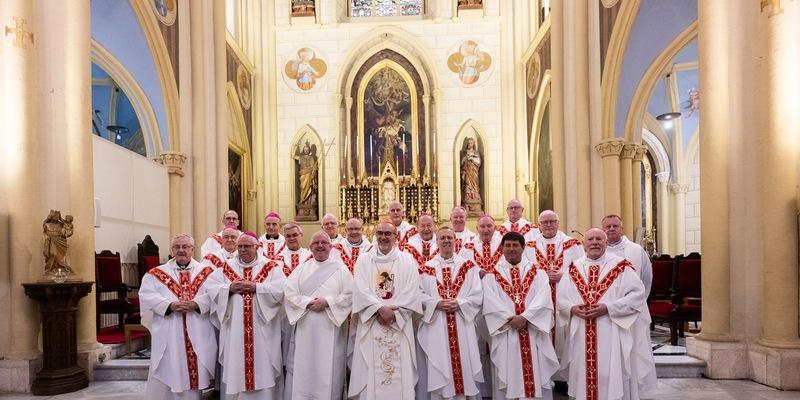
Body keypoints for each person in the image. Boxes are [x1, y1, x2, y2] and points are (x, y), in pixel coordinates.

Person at [556, 228, 657, 400]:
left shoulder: (621, 266)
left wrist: (609, 308)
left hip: (611, 329)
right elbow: (561, 298)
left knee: (611, 370)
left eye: (598, 239)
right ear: (583, 244)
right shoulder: (573, 268)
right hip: (581, 330)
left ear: (606, 243)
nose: (594, 242)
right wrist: (572, 308)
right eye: (590, 239)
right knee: (583, 371)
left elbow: (637, 294)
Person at [350, 221, 423, 400]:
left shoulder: (406, 260)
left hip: (398, 322)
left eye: (388, 234)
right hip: (372, 322)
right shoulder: (364, 260)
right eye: (380, 233)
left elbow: (412, 290)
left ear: (395, 237)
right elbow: (359, 288)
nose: (383, 237)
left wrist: (393, 313)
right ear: (375, 236)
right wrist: (378, 310)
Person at [482, 232, 559, 399]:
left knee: (536, 375)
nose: (511, 249)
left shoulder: (538, 272)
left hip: (533, 332)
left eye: (515, 245)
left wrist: (526, 317)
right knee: (509, 373)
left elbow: (544, 299)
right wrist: (512, 319)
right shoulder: (491, 276)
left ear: (523, 248)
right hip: (507, 333)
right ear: (501, 248)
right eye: (507, 245)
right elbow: (490, 303)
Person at [139, 234, 217, 400]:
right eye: (177, 247)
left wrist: (196, 305)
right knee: (169, 367)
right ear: (172, 249)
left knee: (193, 374)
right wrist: (169, 305)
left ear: (192, 249)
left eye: (185, 247)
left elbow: (216, 295)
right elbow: (146, 296)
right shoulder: (155, 274)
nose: (181, 250)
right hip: (169, 330)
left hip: (197, 329)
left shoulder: (208, 273)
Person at [209, 232, 286, 399]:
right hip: (235, 330)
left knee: (263, 366)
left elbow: (281, 290)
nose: (243, 250)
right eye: (240, 246)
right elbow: (212, 289)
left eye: (247, 246)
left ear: (257, 247)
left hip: (262, 330)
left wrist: (256, 287)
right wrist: (229, 288)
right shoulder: (226, 267)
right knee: (237, 365)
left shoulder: (271, 267)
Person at [283, 232, 353, 400]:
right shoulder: (301, 269)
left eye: (324, 242)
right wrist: (307, 302)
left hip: (330, 329)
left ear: (330, 247)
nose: (320, 245)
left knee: (328, 369)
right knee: (305, 367)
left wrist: (327, 302)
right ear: (311, 247)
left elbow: (350, 295)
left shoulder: (341, 270)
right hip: (306, 328)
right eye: (316, 243)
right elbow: (289, 294)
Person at [417, 227, 484, 400]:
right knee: (440, 364)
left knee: (464, 365)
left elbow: (477, 295)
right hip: (437, 325)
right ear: (436, 242)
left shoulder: (468, 267)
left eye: (449, 238)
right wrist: (436, 303)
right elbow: (418, 295)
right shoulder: (426, 269)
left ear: (456, 241)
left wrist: (460, 303)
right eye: (442, 238)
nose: (446, 241)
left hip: (462, 323)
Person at [525, 211, 584, 391]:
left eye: (552, 221)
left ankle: (564, 379)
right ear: (538, 225)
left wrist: (563, 275)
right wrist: (543, 276)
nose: (548, 225)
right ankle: (544, 375)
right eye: (544, 222)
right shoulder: (528, 246)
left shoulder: (572, 244)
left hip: (564, 299)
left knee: (564, 336)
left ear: (558, 223)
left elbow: (583, 269)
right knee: (543, 334)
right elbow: (524, 271)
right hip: (539, 299)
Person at [270, 222, 311, 399]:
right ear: (284, 238)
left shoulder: (311, 257)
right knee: (283, 349)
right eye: (288, 236)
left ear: (301, 236)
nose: (292, 238)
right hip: (282, 312)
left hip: (306, 311)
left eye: (295, 235)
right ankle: (285, 390)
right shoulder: (274, 261)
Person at [601, 214, 653, 296]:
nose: (612, 229)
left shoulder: (636, 250)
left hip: (630, 299)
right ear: (602, 230)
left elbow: (646, 277)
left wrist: (640, 299)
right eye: (608, 226)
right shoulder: (597, 252)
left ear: (622, 229)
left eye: (615, 226)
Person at [42, 210, 74, 275]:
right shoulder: (46, 225)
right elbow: (44, 233)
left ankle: (62, 268)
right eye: (55, 217)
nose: (56, 218)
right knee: (52, 254)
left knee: (61, 256)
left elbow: (67, 231)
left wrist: (65, 234)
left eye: (57, 217)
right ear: (51, 217)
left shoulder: (60, 224)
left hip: (60, 241)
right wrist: (47, 237)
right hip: (51, 241)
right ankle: (49, 269)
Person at [460, 138, 482, 202]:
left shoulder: (476, 152)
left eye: (471, 143)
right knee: (467, 182)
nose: (470, 144)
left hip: (474, 170)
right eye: (469, 143)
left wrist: (473, 158)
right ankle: (468, 196)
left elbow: (479, 162)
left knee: (474, 182)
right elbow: (462, 162)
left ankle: (475, 196)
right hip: (468, 169)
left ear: (473, 144)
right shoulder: (465, 152)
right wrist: (466, 159)